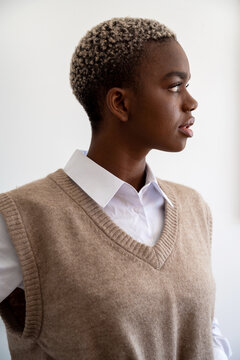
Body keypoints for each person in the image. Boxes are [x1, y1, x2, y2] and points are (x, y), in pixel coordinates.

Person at [0, 17, 232, 359]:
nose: (191, 102)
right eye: (174, 86)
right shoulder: (21, 220)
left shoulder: (195, 208)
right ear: (120, 104)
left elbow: (204, 332)